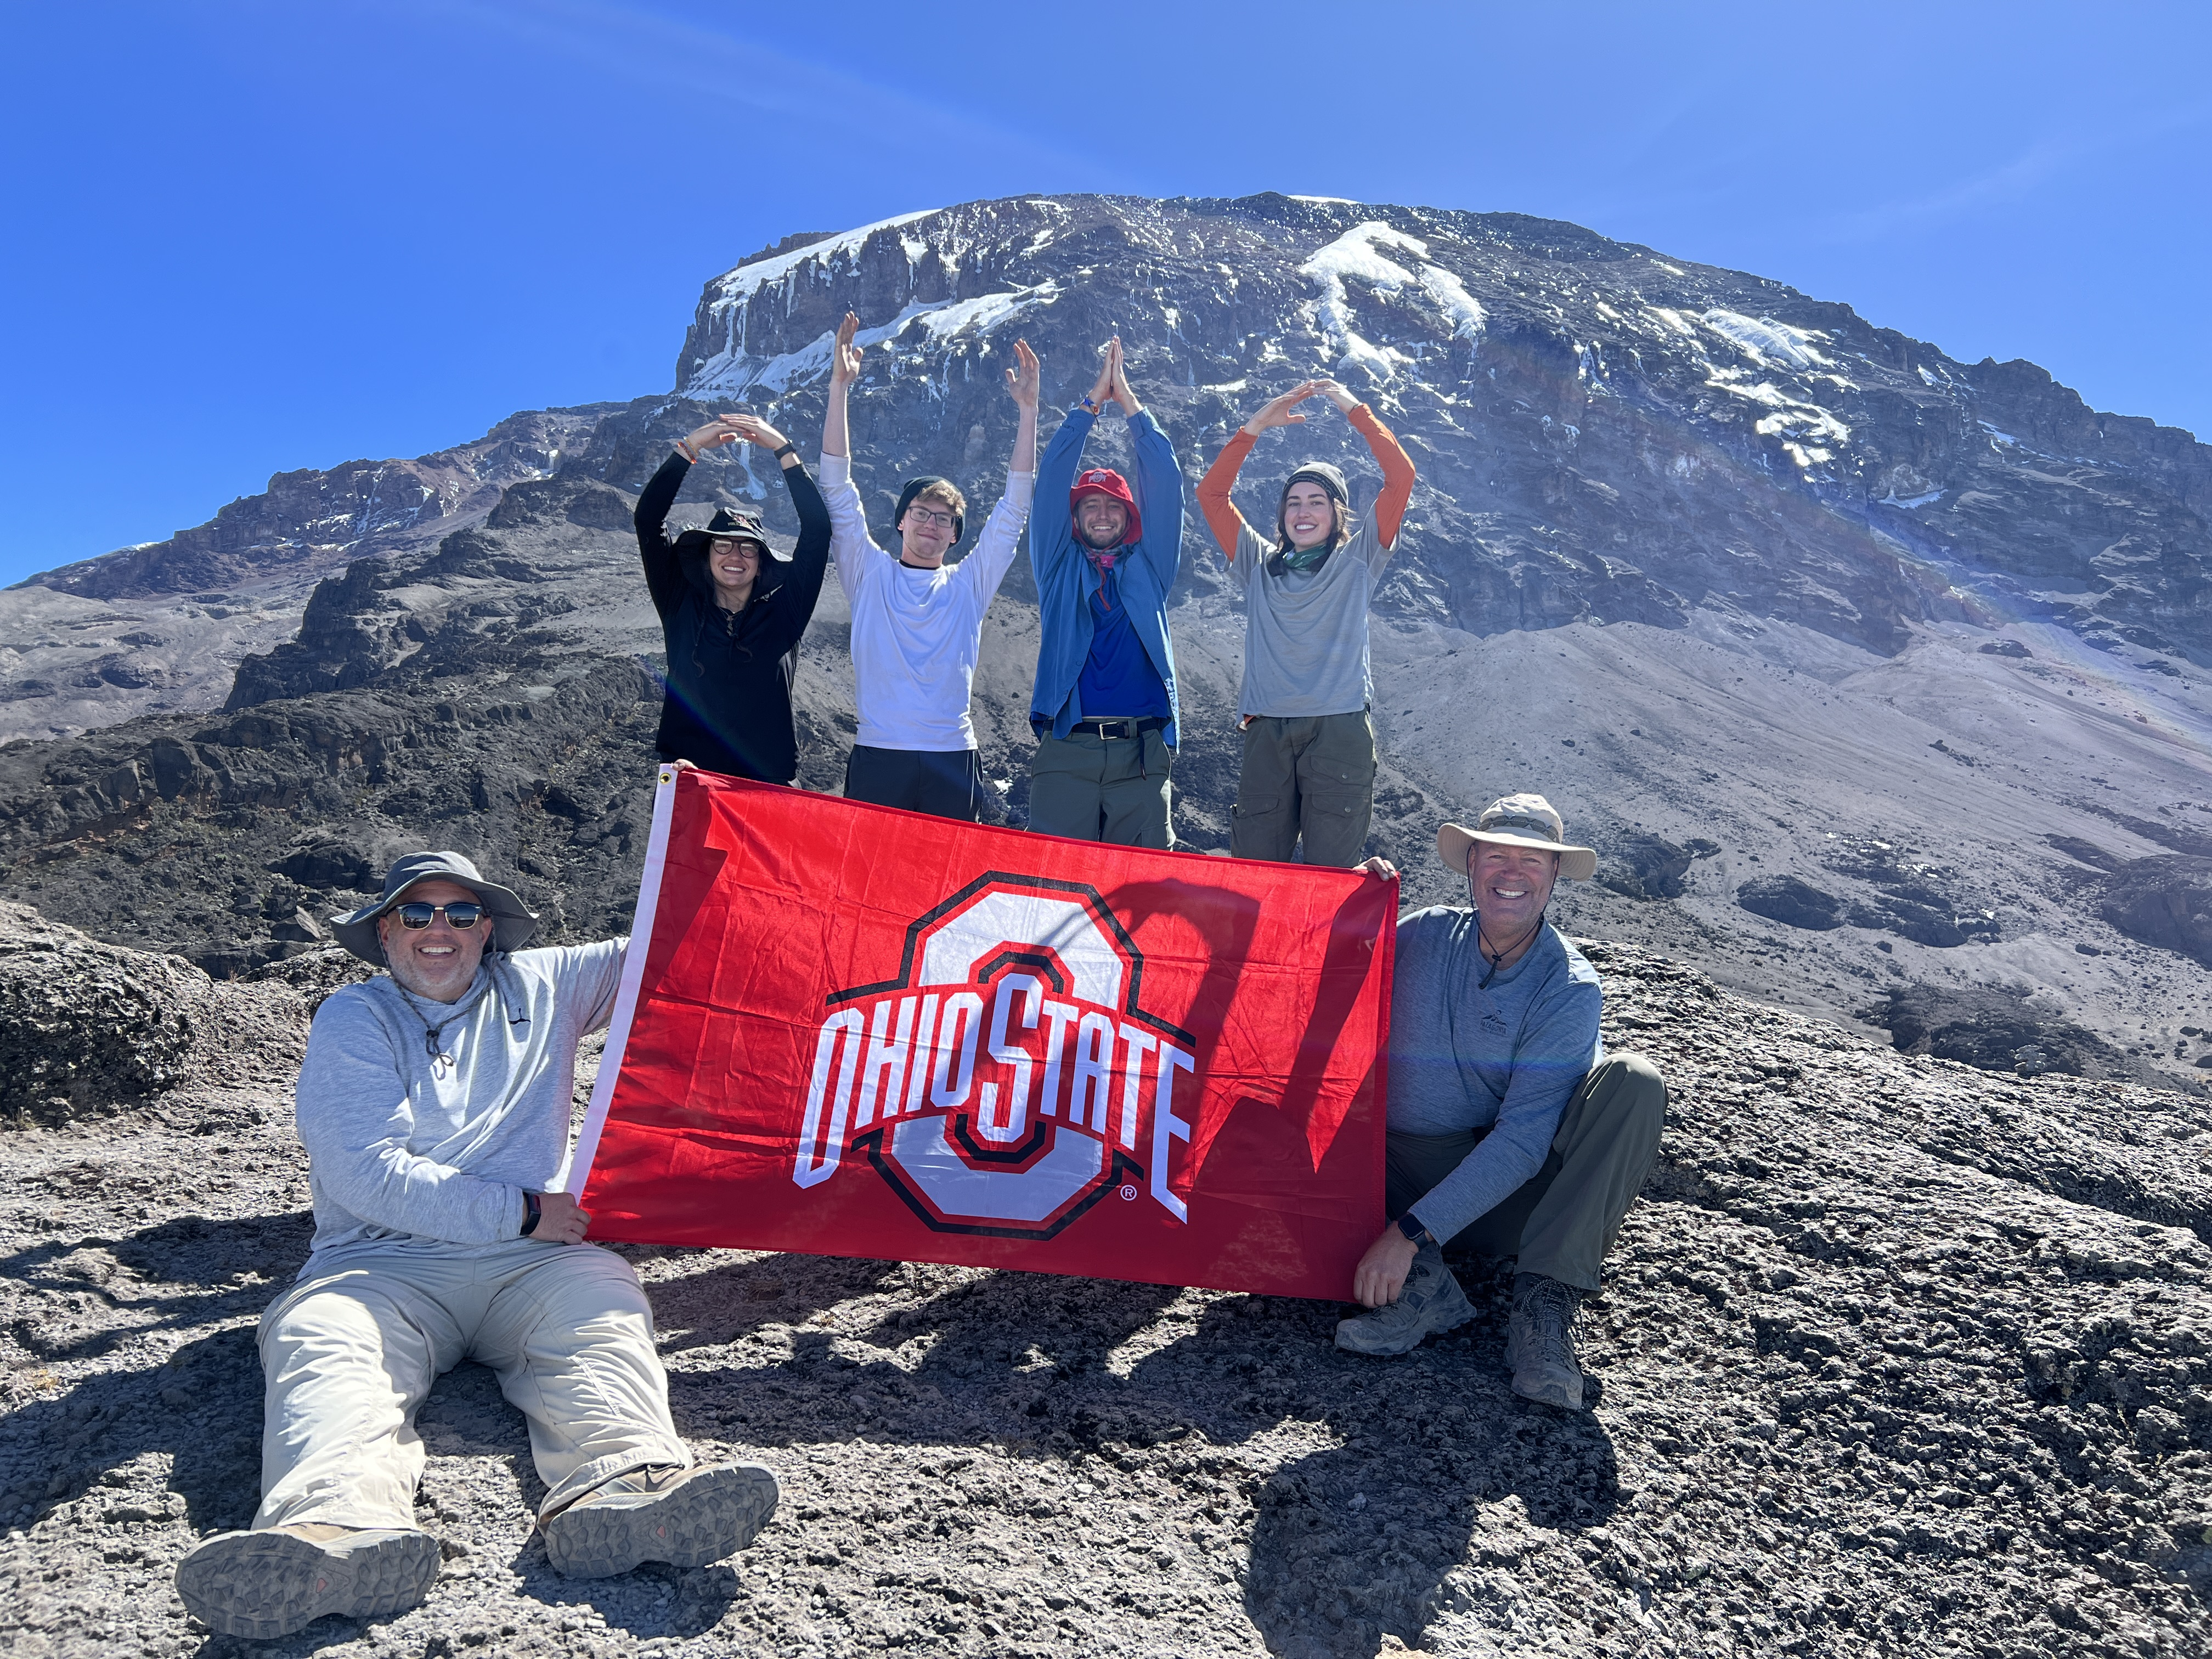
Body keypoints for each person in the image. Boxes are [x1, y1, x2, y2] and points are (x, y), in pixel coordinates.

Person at [173, 853, 778, 1639]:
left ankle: (626, 1484)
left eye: (460, 914)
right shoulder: (355, 1017)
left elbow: (683, 944)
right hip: (383, 1266)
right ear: (384, 932)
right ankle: (335, 1528)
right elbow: (362, 1174)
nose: (439, 930)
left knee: (602, 1310)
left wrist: (715, 832)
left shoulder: (547, 984)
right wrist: (520, 1213)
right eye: (417, 915)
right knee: (326, 1341)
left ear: (486, 929)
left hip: (531, 1265)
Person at [1335, 795, 1667, 1410]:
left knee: (1633, 1081)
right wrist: (1344, 905)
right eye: (1497, 856)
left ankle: (1545, 1304)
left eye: (1532, 860)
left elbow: (1522, 1141)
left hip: (1500, 1190)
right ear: (1471, 865)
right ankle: (1428, 1285)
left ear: (1554, 876)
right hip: (1385, 1169)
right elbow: (1314, 976)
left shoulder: (1566, 987)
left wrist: (1407, 1234)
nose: (1512, 873)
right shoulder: (1423, 934)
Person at [819, 311, 1039, 819]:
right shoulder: (869, 574)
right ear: (901, 522)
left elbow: (1013, 513)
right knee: (871, 885)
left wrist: (1028, 412)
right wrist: (839, 388)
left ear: (956, 535)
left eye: (944, 519)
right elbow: (836, 490)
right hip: (879, 752)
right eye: (921, 513)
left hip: (952, 756)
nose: (931, 525)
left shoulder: (968, 585)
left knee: (950, 890)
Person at [1197, 379, 1416, 866]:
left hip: (1338, 729)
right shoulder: (1257, 563)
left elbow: (1401, 477)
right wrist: (1254, 427)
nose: (1303, 511)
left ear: (1338, 513)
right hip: (1267, 730)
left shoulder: (1359, 558)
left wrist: (1350, 407)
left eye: (1317, 501)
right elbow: (1211, 495)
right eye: (1293, 502)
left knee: (1331, 874)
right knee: (1255, 867)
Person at [1027, 337, 1187, 847]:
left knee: (1140, 887)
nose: (1101, 514)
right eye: (1089, 506)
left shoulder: (1150, 568)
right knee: (1052, 886)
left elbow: (1165, 479)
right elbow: (1051, 477)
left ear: (1130, 518)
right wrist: (1092, 403)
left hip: (1140, 755)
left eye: (1113, 507)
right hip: (1067, 749)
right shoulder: (1057, 568)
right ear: (1074, 519)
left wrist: (1130, 404)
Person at [632, 410, 831, 783]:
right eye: (723, 545)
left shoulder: (786, 613)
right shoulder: (680, 606)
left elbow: (818, 531)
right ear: (707, 555)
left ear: (761, 562)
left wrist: (783, 449)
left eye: (749, 549)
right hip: (689, 780)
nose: (735, 557)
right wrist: (690, 448)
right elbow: (647, 520)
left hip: (768, 788)